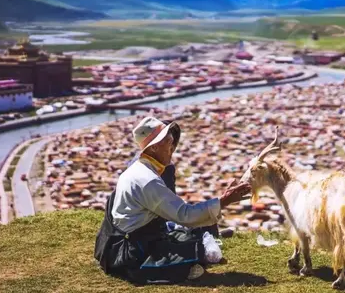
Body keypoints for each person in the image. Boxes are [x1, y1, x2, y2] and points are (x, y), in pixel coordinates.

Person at [94, 117, 251, 285]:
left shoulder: (140, 168)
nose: (173, 146)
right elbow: (185, 215)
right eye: (169, 141)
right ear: (154, 147)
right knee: (194, 253)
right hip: (130, 253)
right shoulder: (148, 180)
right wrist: (224, 201)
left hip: (124, 240)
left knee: (200, 231)